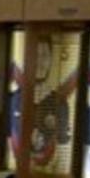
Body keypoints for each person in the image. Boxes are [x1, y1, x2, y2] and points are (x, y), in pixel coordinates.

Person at [29, 37, 70, 170]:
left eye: (45, 56)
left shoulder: (60, 103)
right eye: (36, 55)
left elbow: (64, 150)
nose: (40, 62)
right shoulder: (16, 99)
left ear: (51, 59)